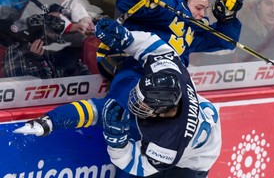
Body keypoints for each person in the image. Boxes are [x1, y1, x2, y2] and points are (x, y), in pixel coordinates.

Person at [14, 19, 221, 177]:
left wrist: (118, 143)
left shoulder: (168, 142)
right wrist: (127, 38)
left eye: (143, 106)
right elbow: (154, 46)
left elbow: (138, 166)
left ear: (161, 112)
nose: (135, 103)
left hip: (191, 162)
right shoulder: (173, 72)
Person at [97, 0, 243, 78]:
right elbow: (128, 5)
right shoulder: (164, 9)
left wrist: (227, 19)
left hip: (171, 80)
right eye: (198, 8)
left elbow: (224, 41)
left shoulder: (194, 31)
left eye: (205, 9)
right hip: (136, 70)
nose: (202, 14)